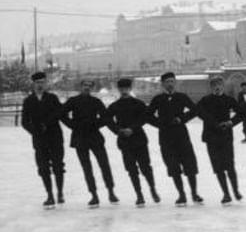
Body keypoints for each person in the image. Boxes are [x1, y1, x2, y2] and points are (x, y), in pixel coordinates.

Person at [145, 72, 203, 206]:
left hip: (181, 135)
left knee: (189, 165)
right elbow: (148, 116)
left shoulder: (181, 97)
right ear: (162, 84)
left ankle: (194, 193)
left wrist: (182, 119)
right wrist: (160, 123)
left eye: (172, 81)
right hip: (166, 137)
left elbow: (195, 110)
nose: (170, 84)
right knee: (173, 166)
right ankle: (181, 194)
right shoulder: (157, 99)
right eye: (167, 82)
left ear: (175, 82)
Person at [61, 78, 118, 207]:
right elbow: (62, 114)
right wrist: (73, 125)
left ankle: (111, 192)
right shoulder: (73, 101)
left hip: (95, 137)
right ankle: (94, 195)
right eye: (84, 85)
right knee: (87, 168)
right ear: (80, 87)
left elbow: (105, 117)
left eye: (89, 85)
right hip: (80, 138)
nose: (87, 87)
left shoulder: (96, 101)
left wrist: (95, 125)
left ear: (92, 88)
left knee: (104, 165)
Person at [106, 77, 160, 206]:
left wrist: (133, 128)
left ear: (130, 89)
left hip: (139, 140)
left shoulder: (139, 104)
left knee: (146, 167)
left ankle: (153, 189)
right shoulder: (114, 106)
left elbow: (144, 118)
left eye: (126, 88)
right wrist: (118, 130)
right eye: (122, 88)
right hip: (124, 142)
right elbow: (108, 120)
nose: (124, 90)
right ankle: (139, 194)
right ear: (119, 90)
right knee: (131, 169)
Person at [195, 75, 245, 204]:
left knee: (230, 165)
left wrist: (231, 122)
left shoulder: (229, 100)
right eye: (214, 86)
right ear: (211, 87)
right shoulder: (205, 100)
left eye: (219, 85)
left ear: (223, 86)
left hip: (225, 136)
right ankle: (226, 194)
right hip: (211, 138)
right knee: (218, 168)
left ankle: (236, 191)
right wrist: (210, 121)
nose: (216, 88)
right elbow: (197, 111)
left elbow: (241, 114)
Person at [21, 71, 66, 208]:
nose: (40, 85)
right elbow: (24, 121)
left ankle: (60, 192)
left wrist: (47, 124)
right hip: (39, 139)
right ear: (33, 84)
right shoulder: (28, 101)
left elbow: (59, 113)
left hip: (55, 137)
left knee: (58, 165)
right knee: (43, 167)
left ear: (45, 83)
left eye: (42, 82)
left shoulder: (52, 98)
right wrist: (35, 131)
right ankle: (50, 194)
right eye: (37, 83)